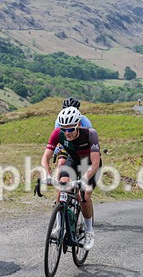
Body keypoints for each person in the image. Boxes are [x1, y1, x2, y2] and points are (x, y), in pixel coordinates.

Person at [41, 106, 101, 251]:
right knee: (62, 186)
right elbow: (46, 157)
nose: (67, 133)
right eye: (64, 129)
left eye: (71, 129)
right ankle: (59, 227)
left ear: (79, 125)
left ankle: (89, 231)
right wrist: (47, 175)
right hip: (73, 160)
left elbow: (95, 162)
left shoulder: (90, 134)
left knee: (84, 196)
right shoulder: (57, 133)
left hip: (89, 165)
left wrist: (84, 179)